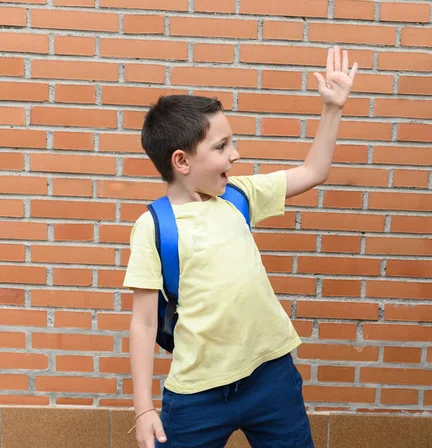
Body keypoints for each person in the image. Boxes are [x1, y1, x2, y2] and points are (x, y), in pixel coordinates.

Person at [124, 46, 358, 448]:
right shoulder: (154, 227)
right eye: (221, 146)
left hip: (271, 378)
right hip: (197, 392)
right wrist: (144, 408)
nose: (235, 154)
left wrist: (332, 108)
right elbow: (144, 323)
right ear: (181, 161)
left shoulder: (238, 196)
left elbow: (313, 171)